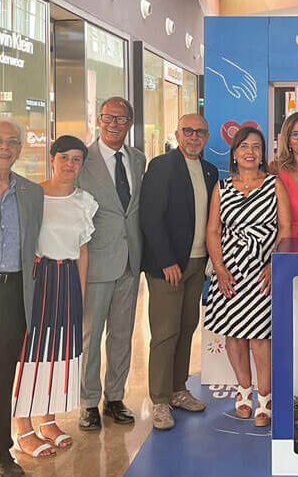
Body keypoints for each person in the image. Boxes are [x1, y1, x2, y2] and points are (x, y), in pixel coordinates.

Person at [13, 136, 98, 456]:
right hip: (38, 279)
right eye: (64, 157)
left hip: (68, 280)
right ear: (52, 159)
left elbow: (83, 252)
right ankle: (23, 427)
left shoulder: (85, 201)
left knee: (59, 350)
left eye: (77, 159)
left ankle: (48, 419)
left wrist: (81, 292)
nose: (70, 164)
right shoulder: (32, 195)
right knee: (30, 351)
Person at [204, 127, 291, 427]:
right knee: (234, 334)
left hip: (263, 270)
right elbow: (213, 230)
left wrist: (274, 263)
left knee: (260, 337)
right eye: (244, 146)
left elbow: (286, 228)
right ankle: (243, 390)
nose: (250, 152)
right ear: (234, 153)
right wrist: (219, 268)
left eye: (256, 146)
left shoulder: (274, 185)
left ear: (263, 153)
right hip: (230, 271)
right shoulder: (222, 187)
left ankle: (265, 397)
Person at [140, 114, 218, 431]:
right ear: (177, 133)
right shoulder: (162, 166)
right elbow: (150, 217)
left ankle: (178, 390)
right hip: (169, 266)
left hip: (198, 263)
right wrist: (166, 260)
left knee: (186, 328)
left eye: (200, 132)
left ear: (207, 137)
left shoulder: (210, 170)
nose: (194, 137)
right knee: (165, 333)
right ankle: (160, 400)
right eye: (188, 131)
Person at [77, 97, 146, 431]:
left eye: (121, 118)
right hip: (95, 261)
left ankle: (115, 397)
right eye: (109, 117)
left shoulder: (138, 159)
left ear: (130, 123)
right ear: (99, 119)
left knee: (122, 334)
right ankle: (88, 402)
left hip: (130, 261)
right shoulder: (82, 160)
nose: (114, 124)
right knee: (90, 337)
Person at [0, 119, 43, 476]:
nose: (5, 147)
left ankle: (2, 453)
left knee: (4, 374)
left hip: (13, 291)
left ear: (20, 149)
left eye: (12, 141)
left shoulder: (31, 193)